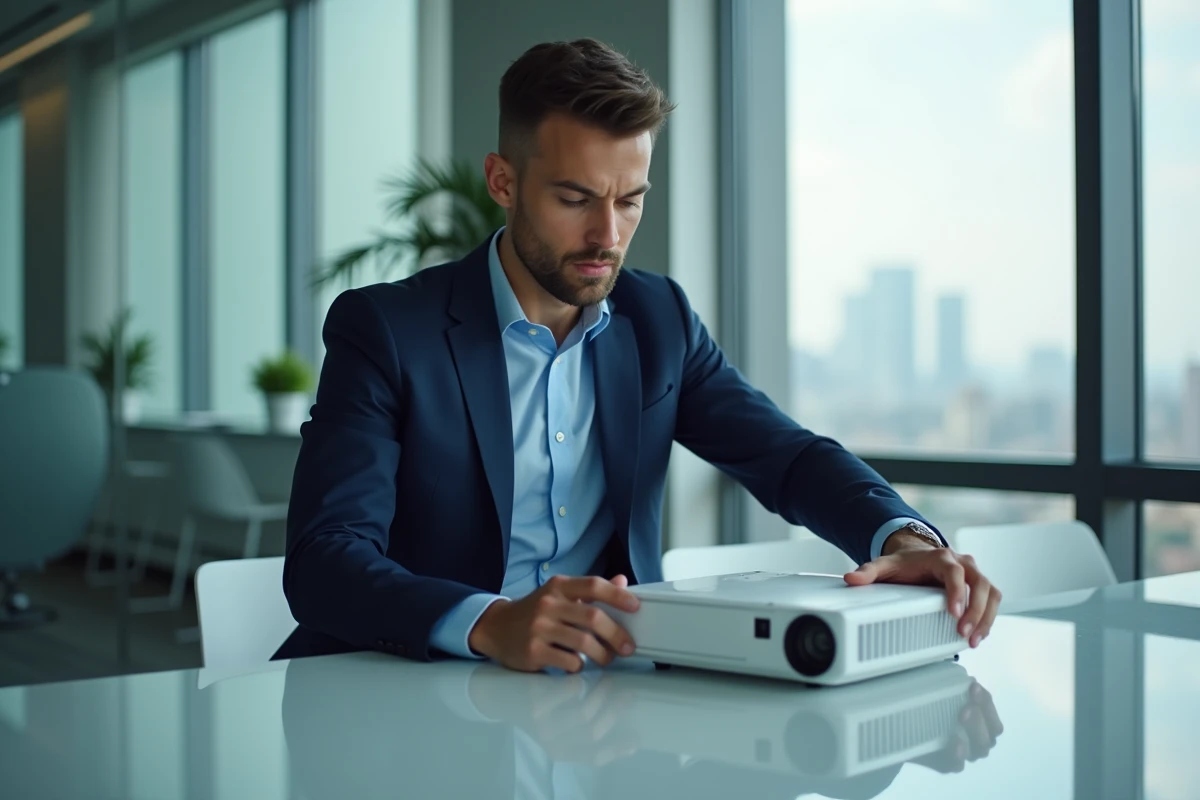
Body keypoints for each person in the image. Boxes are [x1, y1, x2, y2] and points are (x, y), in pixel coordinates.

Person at [275, 37, 1000, 672]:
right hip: (402, 690)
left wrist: (902, 537)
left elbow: (789, 456)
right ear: (503, 182)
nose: (607, 235)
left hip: (602, 698)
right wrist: (490, 623)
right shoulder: (388, 330)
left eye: (629, 201)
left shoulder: (659, 320)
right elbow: (326, 558)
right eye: (574, 198)